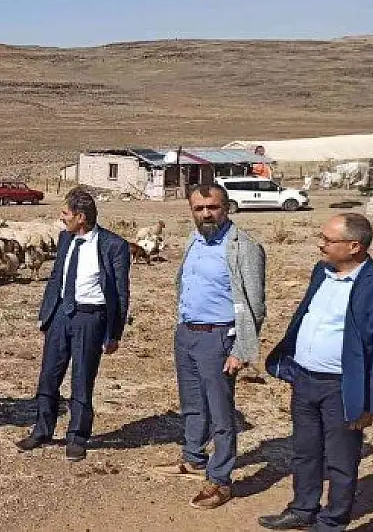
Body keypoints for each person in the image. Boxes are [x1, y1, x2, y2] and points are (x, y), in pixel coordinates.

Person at [258, 213, 373, 532]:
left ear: (354, 246)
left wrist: (372, 406)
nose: (321, 244)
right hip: (304, 380)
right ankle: (303, 509)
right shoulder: (322, 271)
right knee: (304, 451)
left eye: (328, 240)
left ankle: (332, 521)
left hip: (343, 388)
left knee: (341, 460)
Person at [152, 184, 266, 510]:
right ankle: (192, 458)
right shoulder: (195, 239)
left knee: (220, 412)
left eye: (213, 207)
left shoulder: (244, 247)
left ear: (226, 207)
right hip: (187, 334)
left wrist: (241, 349)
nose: (206, 214)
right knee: (192, 403)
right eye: (199, 208)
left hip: (218, 338)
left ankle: (220, 480)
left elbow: (255, 304)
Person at [18, 187, 130, 462]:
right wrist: (46, 314)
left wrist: (114, 333)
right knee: (49, 375)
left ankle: (77, 436)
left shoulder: (114, 246)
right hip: (60, 316)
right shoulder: (65, 239)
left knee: (81, 378)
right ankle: (42, 429)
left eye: (65, 212)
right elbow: (56, 277)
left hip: (89, 318)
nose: (61, 216)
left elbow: (120, 292)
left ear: (81, 217)